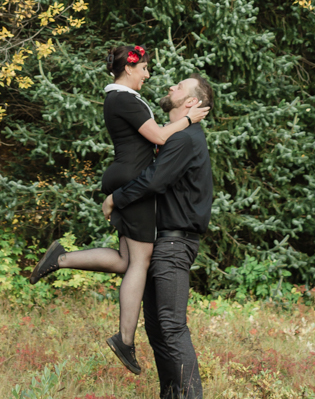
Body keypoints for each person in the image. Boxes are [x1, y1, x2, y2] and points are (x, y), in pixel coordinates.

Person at [28, 45, 207, 374]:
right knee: (141, 260)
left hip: (125, 176)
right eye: (144, 69)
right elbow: (160, 137)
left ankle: (61, 258)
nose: (147, 75)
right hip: (133, 180)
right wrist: (187, 119)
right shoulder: (123, 98)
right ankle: (124, 338)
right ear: (129, 69)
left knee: (126, 260)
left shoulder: (124, 98)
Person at [103, 73, 214, 399]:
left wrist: (116, 199)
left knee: (171, 325)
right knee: (157, 327)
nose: (170, 88)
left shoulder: (185, 139)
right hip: (161, 243)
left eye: (179, 87)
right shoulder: (178, 136)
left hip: (174, 245)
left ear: (191, 103)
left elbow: (153, 181)